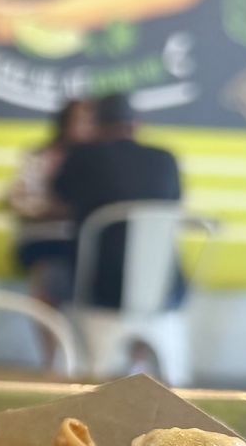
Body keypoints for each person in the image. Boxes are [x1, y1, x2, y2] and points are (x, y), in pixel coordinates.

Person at [49, 92, 184, 310]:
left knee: (48, 275)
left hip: (98, 286)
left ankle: (61, 344)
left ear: (96, 124)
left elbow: (58, 197)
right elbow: (175, 202)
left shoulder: (82, 156)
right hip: (167, 287)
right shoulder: (166, 158)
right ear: (137, 123)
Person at [11, 99, 94, 306]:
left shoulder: (104, 160)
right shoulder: (41, 156)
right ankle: (54, 333)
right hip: (48, 239)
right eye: (79, 120)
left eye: (90, 121)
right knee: (50, 275)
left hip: (89, 241)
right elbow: (18, 200)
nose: (84, 127)